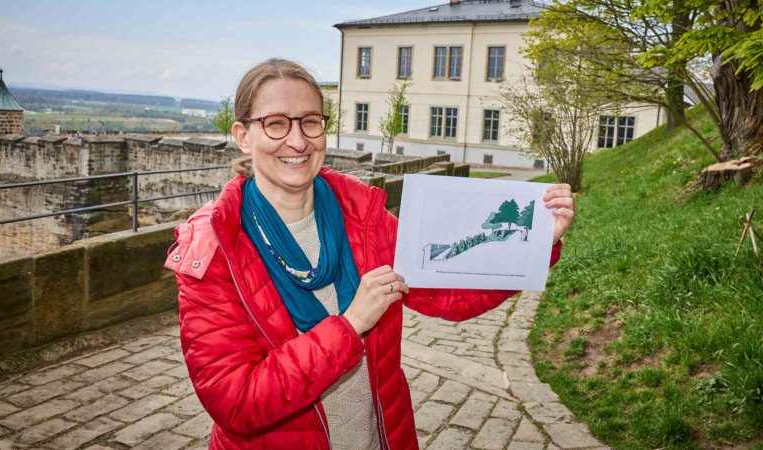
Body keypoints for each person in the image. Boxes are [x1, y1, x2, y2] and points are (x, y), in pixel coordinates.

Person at [165, 59, 575, 450]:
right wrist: (351, 323)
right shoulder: (216, 249)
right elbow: (237, 401)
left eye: (310, 121)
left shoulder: (363, 215)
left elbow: (448, 292)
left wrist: (535, 239)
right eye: (275, 124)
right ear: (242, 135)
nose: (298, 140)